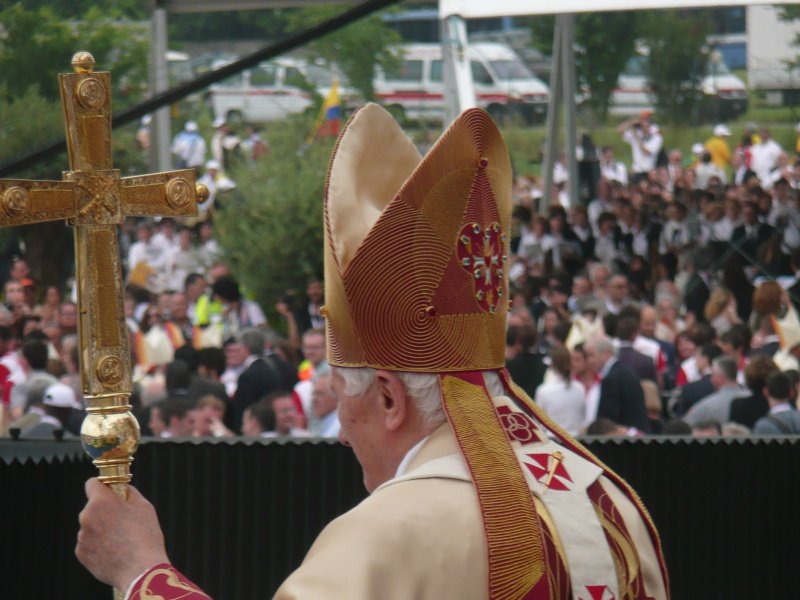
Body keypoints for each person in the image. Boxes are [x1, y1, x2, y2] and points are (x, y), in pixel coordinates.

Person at [75, 105, 668, 599]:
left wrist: (141, 571)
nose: (338, 433)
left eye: (342, 398)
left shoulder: (391, 535)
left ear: (388, 396)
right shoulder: (606, 497)